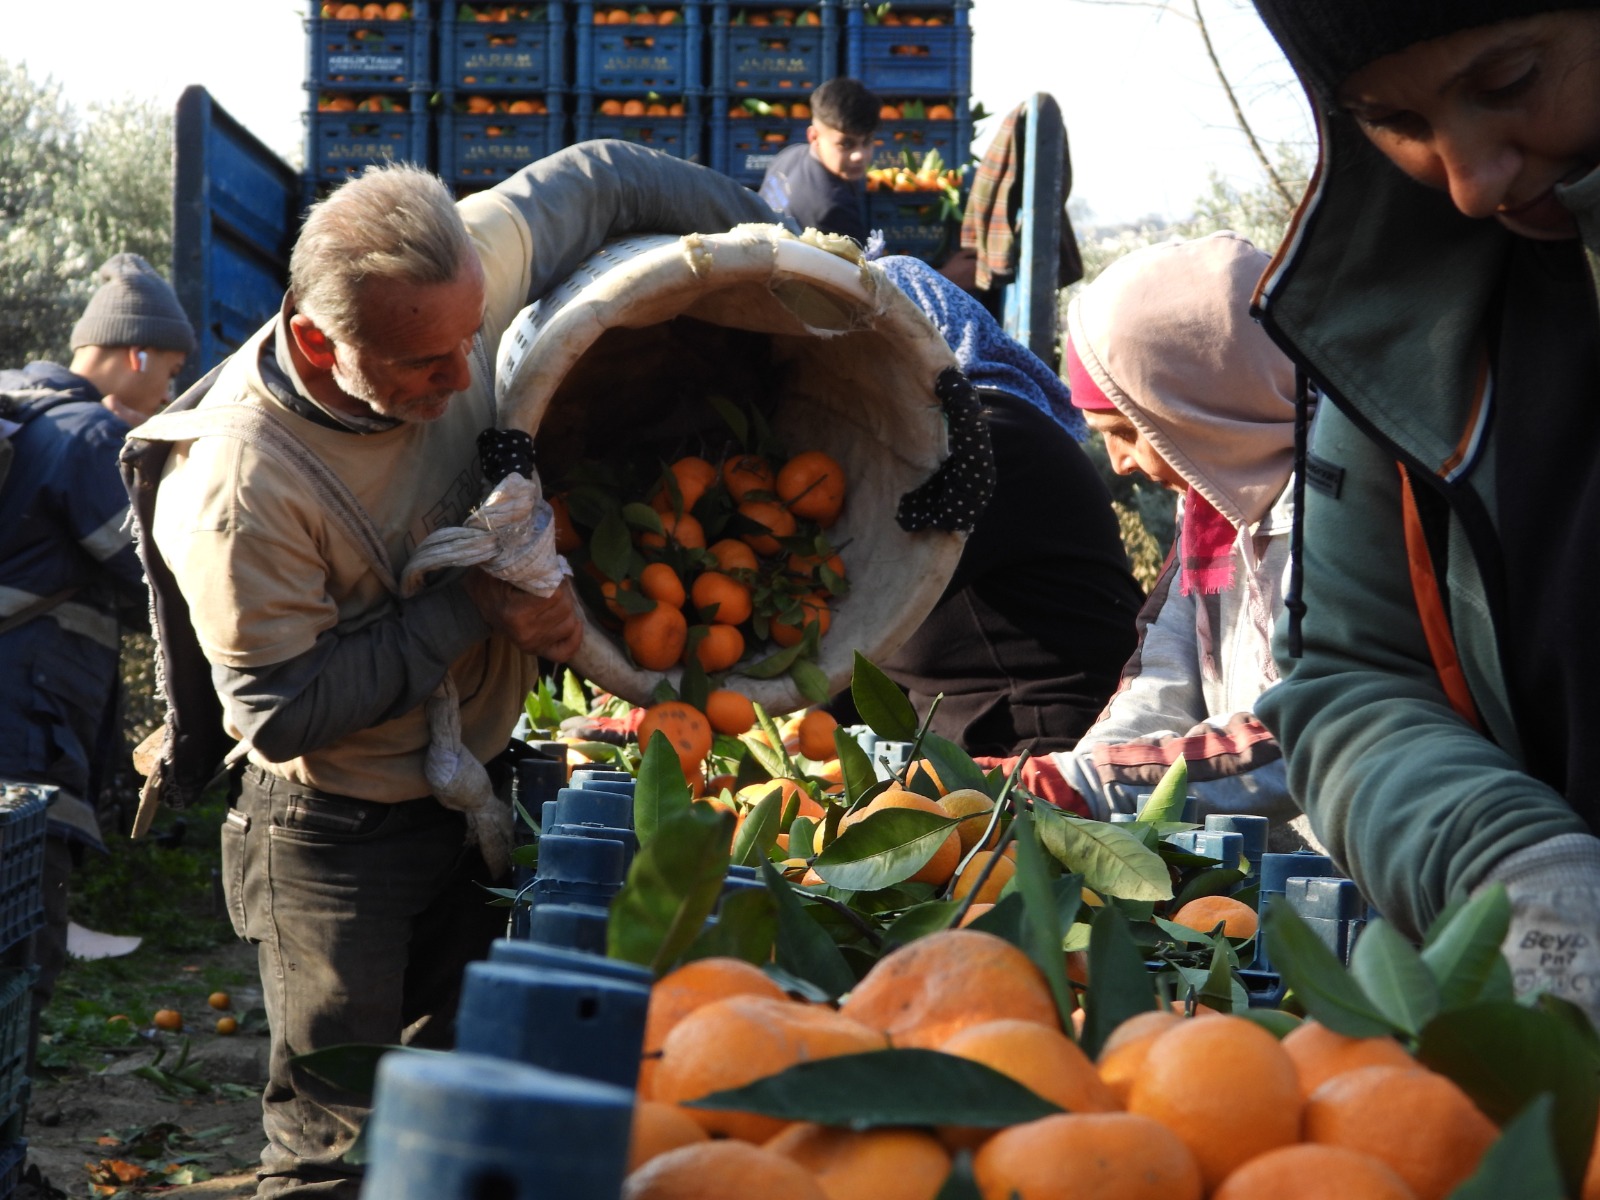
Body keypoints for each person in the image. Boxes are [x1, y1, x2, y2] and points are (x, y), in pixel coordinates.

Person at [131, 142, 780, 1197]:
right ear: (314, 339)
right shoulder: (246, 487)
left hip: (468, 797)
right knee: (339, 1146)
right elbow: (283, 712)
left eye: (471, 339)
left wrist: (785, 241)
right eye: (426, 367)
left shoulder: (447, 276)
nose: (462, 376)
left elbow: (609, 177)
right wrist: (477, 603)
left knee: (453, 1117)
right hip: (336, 836)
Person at [1244, 0, 1600, 1025]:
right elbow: (1354, 677)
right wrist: (1512, 859)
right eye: (1394, 121)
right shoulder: (1409, 336)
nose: (1470, 179)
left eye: (1507, 84)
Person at [1010, 233, 1305, 830]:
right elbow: (1164, 672)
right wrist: (1082, 773)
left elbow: (1309, 729)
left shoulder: (1345, 510)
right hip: (1255, 875)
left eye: (1126, 430)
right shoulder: (1209, 510)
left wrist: (1091, 784)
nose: (1118, 463)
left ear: (1197, 404)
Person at [0, 252, 195, 1045]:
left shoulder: (23, 410)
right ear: (138, 352)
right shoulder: (89, 437)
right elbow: (158, 575)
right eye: (174, 370)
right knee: (20, 953)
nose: (173, 392)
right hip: (24, 732)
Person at [867, 254, 1144, 758]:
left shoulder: (989, 439)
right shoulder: (922, 446)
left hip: (1051, 754)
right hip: (970, 753)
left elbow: (861, 590)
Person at [759, 77, 881, 243]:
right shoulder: (833, 209)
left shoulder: (788, 155)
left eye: (867, 141)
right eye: (846, 144)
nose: (859, 155)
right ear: (814, 136)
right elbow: (858, 267)